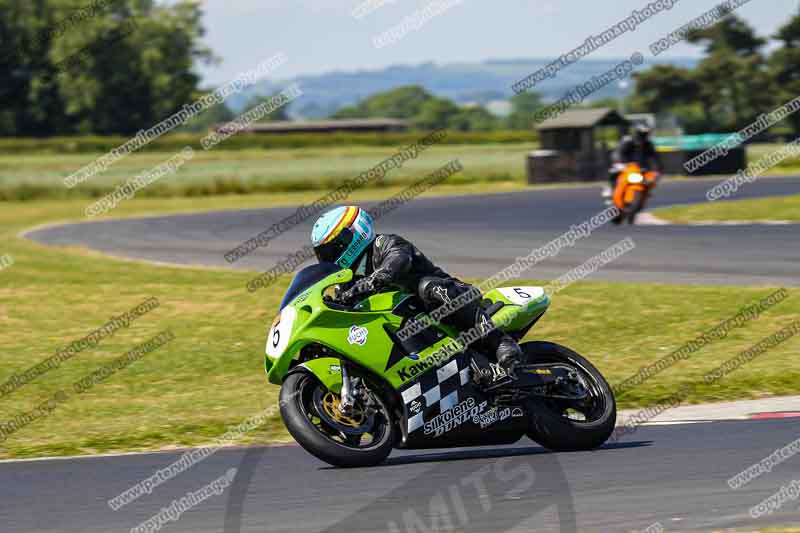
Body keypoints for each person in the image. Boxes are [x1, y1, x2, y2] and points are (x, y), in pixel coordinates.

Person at [310, 205, 523, 383]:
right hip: (411, 331)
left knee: (429, 287)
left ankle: (500, 342)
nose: (329, 258)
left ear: (353, 234)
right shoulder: (345, 282)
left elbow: (398, 260)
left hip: (450, 299)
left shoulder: (385, 244)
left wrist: (375, 279)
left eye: (331, 250)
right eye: (323, 254)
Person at [603, 125, 663, 202]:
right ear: (637, 133)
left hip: (641, 167)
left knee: (652, 178)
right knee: (613, 171)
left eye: (645, 134)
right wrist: (619, 162)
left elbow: (655, 157)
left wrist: (657, 169)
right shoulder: (627, 140)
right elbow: (618, 152)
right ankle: (610, 188)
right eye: (642, 134)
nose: (643, 136)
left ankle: (646, 191)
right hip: (626, 165)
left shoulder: (648, 144)